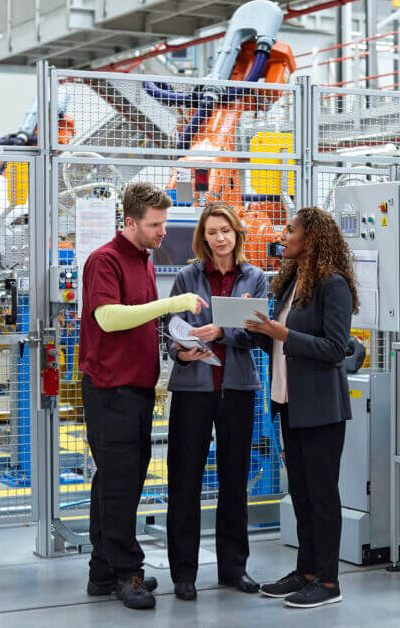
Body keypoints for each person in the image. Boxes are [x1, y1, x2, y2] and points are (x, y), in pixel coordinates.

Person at [79, 181, 207, 611]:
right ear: (129, 222)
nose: (161, 232)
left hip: (136, 386)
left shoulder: (144, 261)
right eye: (155, 224)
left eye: (164, 223)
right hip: (109, 387)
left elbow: (139, 322)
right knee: (120, 482)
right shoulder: (105, 261)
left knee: (121, 478)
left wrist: (182, 339)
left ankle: (102, 570)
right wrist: (171, 307)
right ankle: (126, 571)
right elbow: (110, 318)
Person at [243, 207, 358, 609]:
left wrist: (282, 332)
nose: (283, 234)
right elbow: (281, 346)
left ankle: (328, 583)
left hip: (322, 409)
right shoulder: (291, 282)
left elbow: (334, 348)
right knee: (302, 494)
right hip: (289, 404)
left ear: (311, 238)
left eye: (290, 229)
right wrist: (258, 329)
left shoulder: (334, 284)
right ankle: (306, 571)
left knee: (322, 496)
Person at [164, 202, 269, 601]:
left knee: (233, 482)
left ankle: (233, 568)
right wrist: (180, 350)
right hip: (193, 391)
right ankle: (184, 574)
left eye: (225, 230)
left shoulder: (255, 278)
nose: (219, 238)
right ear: (202, 238)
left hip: (238, 390)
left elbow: (258, 334)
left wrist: (220, 333)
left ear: (236, 233)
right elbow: (168, 330)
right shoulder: (187, 277)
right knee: (185, 481)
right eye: (211, 232)